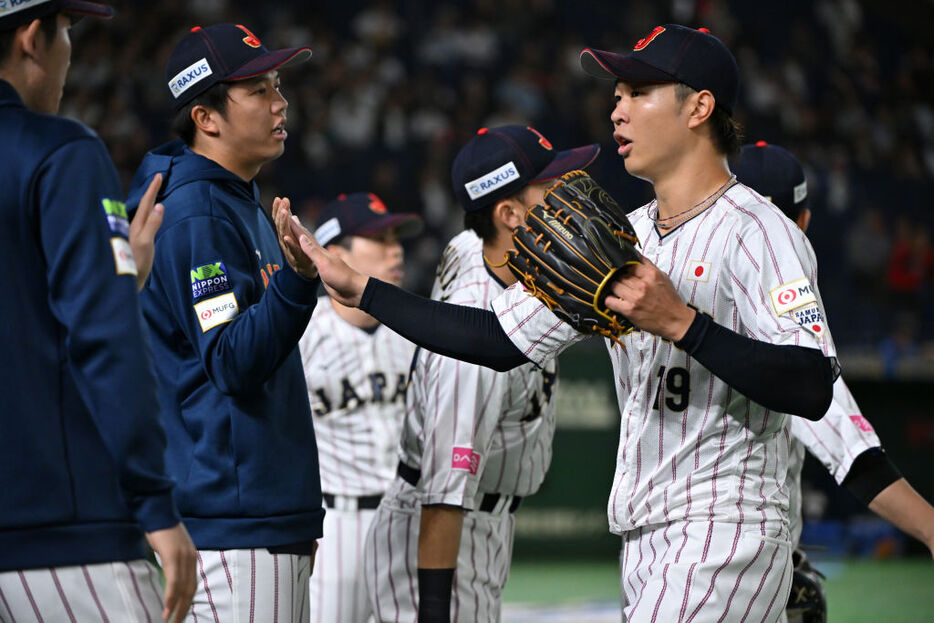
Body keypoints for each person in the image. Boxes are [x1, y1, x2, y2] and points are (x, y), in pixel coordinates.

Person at [283, 24, 842, 622]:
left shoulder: (759, 231)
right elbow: (495, 339)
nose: (616, 108)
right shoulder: (627, 233)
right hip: (647, 535)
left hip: (727, 527)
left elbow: (810, 385)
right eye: (618, 93)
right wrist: (360, 289)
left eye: (638, 91)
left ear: (699, 108)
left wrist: (683, 324)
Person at [0, 2, 196, 622]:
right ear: (32, 37)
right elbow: (104, 339)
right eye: (64, 32)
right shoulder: (58, 151)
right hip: (58, 530)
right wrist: (154, 502)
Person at [124, 23, 323, 622]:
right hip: (233, 521)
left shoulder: (233, 198)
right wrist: (295, 281)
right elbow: (232, 362)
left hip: (246, 514)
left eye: (277, 84)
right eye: (258, 89)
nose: (280, 102)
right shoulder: (197, 213)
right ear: (206, 117)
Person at [365, 126, 598, 623]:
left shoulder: (477, 246)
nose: (568, 199)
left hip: (472, 527)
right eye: (551, 190)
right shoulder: (474, 341)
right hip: (443, 538)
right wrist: (434, 612)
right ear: (510, 215)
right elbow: (444, 494)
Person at [733, 141, 934, 559]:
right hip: (739, 562)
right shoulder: (780, 320)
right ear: (802, 223)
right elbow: (854, 456)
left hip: (648, 550)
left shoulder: (665, 273)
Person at [299, 192, 422, 623]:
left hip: (407, 517)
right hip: (335, 523)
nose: (396, 249)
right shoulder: (302, 334)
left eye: (395, 237)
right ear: (334, 253)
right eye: (379, 238)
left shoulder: (414, 330)